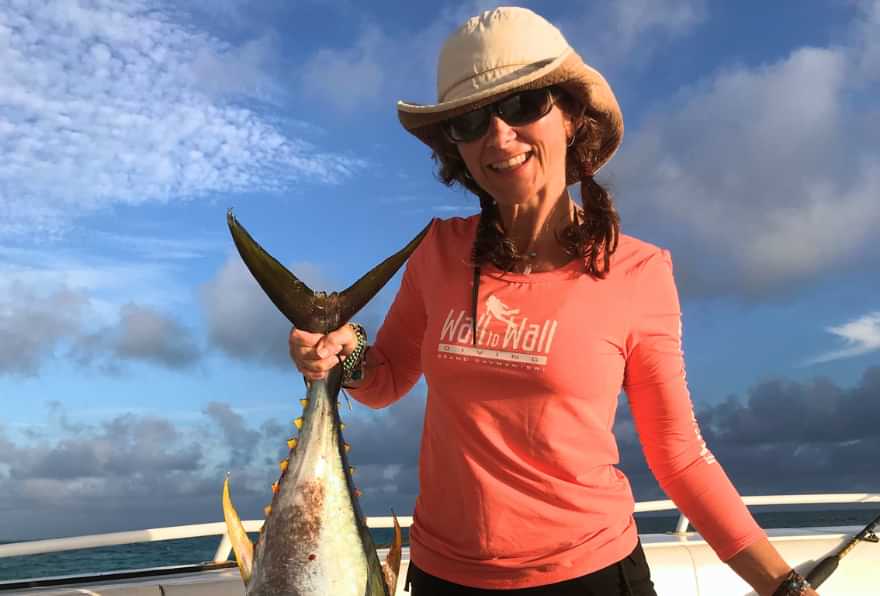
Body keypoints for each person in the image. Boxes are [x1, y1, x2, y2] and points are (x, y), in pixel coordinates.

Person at [289, 7, 818, 596]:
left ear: (571, 117)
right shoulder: (437, 251)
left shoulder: (639, 272)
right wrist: (341, 354)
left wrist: (783, 586)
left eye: (523, 105)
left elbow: (679, 455)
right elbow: (384, 381)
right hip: (444, 577)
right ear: (456, 148)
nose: (498, 136)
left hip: (590, 574)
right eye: (471, 121)